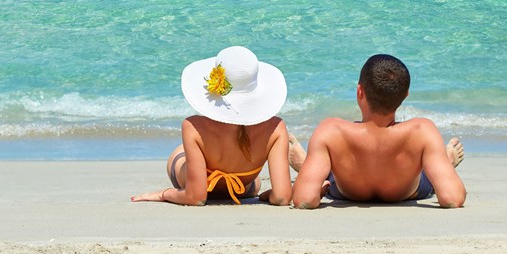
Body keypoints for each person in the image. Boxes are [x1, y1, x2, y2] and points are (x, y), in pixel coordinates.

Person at [290, 54, 466, 209]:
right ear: (405, 96)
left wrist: (317, 191)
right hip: (408, 191)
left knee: (331, 172)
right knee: (427, 171)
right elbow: (452, 199)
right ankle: (444, 162)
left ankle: (308, 166)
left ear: (359, 91)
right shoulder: (421, 131)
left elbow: (304, 200)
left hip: (346, 191)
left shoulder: (331, 131)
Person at [131, 46, 292, 206]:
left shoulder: (193, 126)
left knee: (181, 152)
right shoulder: (276, 128)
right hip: (243, 189)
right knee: (251, 174)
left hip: (199, 184)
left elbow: (196, 197)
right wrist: (267, 195)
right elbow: (282, 197)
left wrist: (164, 194)